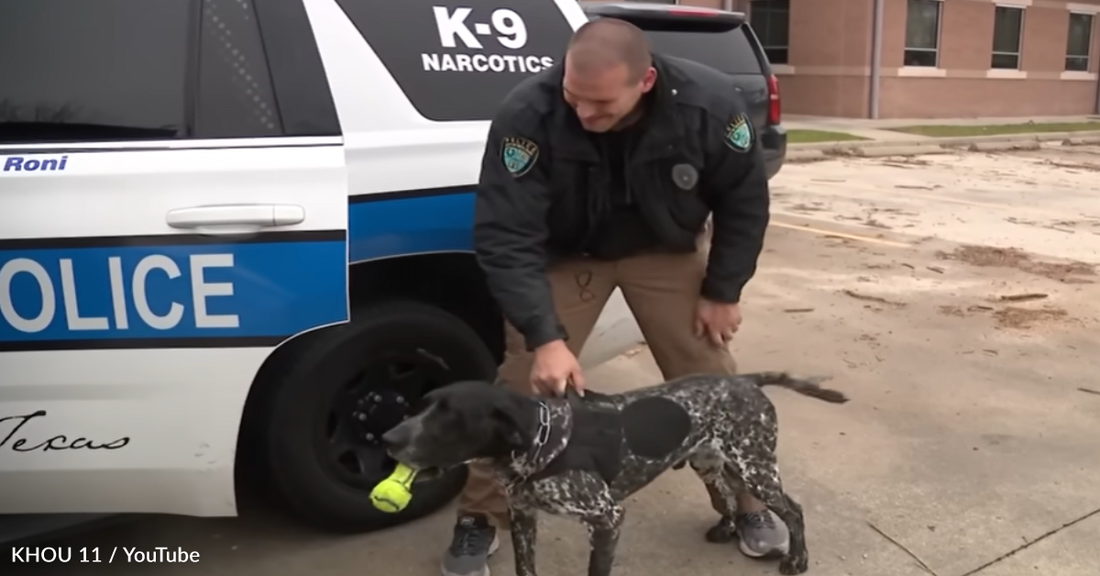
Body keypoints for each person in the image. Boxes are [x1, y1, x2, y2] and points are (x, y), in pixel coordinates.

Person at [441, 17, 779, 576]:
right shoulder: (529, 113)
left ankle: (750, 503)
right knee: (525, 377)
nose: (583, 114)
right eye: (573, 97)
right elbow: (505, 232)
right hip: (570, 253)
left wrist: (724, 289)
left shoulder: (710, 105)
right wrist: (545, 337)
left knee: (710, 376)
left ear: (645, 82)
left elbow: (744, 201)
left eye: (600, 103)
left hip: (664, 250)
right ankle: (481, 515)